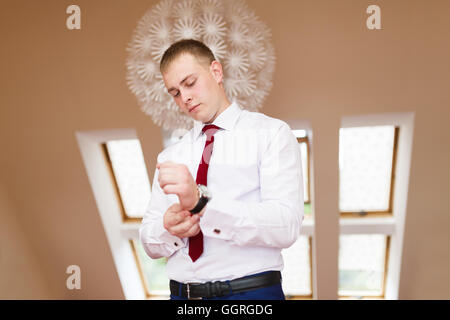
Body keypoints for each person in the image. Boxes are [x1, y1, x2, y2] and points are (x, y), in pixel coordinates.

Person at [139, 39, 304, 300]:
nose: (185, 98)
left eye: (190, 83)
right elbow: (149, 241)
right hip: (183, 297)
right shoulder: (170, 156)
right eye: (174, 92)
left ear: (216, 72)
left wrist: (202, 205)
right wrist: (167, 228)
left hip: (251, 294)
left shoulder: (271, 134)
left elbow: (286, 226)